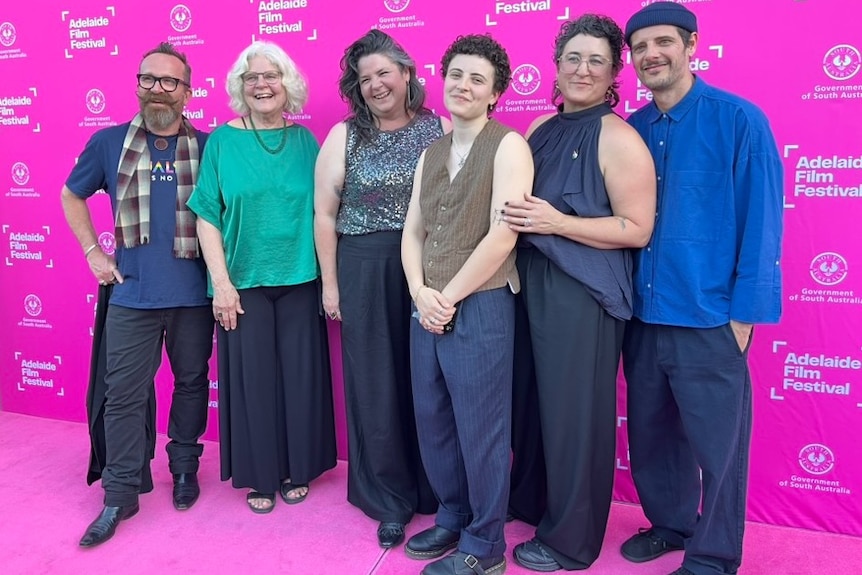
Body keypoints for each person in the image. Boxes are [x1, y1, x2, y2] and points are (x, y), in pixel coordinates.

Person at [619, 4, 783, 575]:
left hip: (711, 319)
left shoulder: (739, 121)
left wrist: (744, 317)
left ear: (691, 46)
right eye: (640, 47)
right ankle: (671, 525)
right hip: (642, 317)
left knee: (719, 450)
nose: (651, 54)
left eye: (663, 42)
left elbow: (762, 223)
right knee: (652, 437)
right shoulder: (631, 130)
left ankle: (712, 557)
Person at [501, 14, 657, 572]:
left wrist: (557, 223)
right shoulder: (540, 125)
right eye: (573, 57)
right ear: (557, 64)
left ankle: (570, 541)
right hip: (528, 283)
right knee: (530, 403)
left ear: (615, 72)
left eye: (596, 60)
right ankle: (531, 501)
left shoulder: (620, 138)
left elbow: (636, 228)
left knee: (574, 415)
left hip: (584, 293)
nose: (582, 69)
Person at [61, 42, 214, 547]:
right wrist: (93, 252)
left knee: (191, 383)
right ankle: (119, 494)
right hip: (132, 296)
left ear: (187, 92)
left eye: (170, 81)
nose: (158, 89)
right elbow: (71, 194)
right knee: (122, 395)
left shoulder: (210, 147)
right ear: (137, 85)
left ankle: (185, 468)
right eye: (148, 79)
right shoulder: (108, 143)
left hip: (194, 295)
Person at [401, 34, 534, 575]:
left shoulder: (509, 146)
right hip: (427, 306)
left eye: (478, 79)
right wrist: (420, 293)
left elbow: (504, 235)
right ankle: (453, 514)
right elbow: (412, 232)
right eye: (456, 74)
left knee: (482, 429)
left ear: (495, 93)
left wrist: (446, 299)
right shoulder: (431, 152)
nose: (463, 85)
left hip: (480, 305)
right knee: (433, 419)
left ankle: (485, 545)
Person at [187, 41, 336, 514]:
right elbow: (206, 215)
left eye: (271, 75)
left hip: (300, 278)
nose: (261, 84)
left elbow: (324, 212)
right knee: (253, 384)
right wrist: (221, 284)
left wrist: (330, 280)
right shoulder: (221, 142)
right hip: (242, 285)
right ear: (240, 87)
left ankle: (297, 468)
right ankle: (261, 476)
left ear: (287, 84)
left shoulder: (306, 142)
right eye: (251, 77)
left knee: (300, 380)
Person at [314, 30, 450, 549]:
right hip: (364, 268)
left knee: (429, 380)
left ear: (407, 74)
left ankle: (437, 489)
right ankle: (389, 499)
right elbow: (324, 214)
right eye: (365, 78)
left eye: (383, 73)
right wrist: (331, 285)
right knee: (375, 383)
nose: (375, 84)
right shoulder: (344, 136)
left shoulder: (440, 128)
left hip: (429, 268)